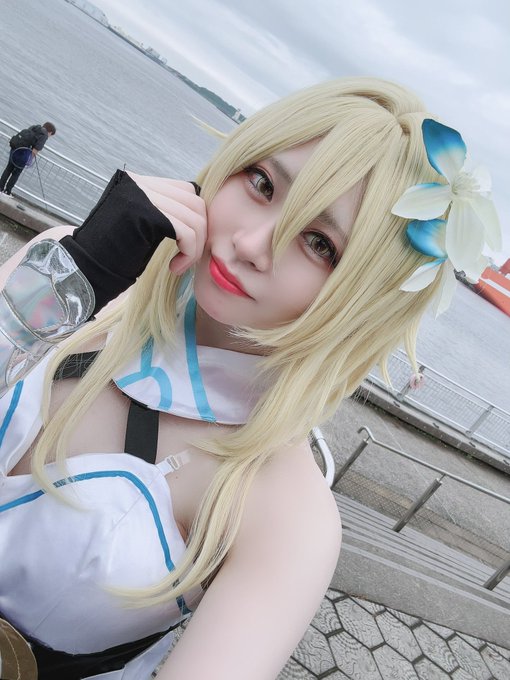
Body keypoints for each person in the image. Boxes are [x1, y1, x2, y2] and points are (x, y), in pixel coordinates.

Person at [0, 77, 500, 680]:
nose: (252, 243)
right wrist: (69, 283)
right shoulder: (69, 269)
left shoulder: (288, 514)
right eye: (262, 184)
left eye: (319, 244)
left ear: (362, 299)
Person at [0, 121, 56, 196]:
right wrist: (30, 160)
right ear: (50, 132)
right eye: (50, 135)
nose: (49, 136)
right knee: (16, 173)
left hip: (15, 149)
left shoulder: (34, 127)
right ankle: (7, 191)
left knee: (8, 169)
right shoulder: (44, 135)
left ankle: (0, 188)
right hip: (23, 154)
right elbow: (35, 149)